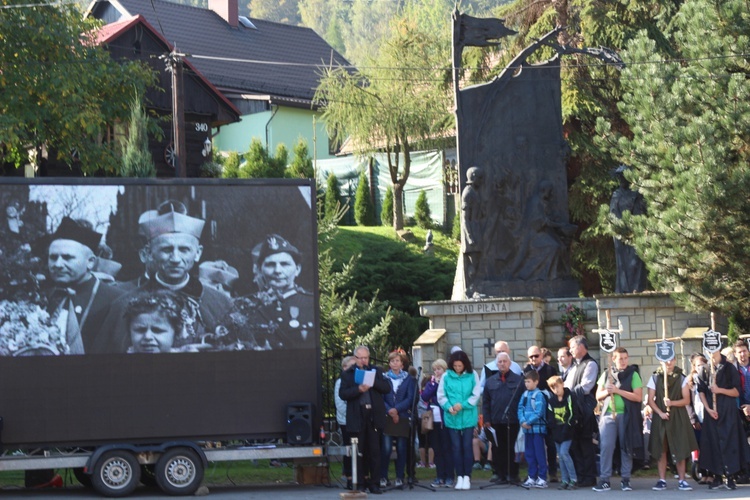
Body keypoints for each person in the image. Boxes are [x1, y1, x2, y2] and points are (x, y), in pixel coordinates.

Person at [94, 202, 232, 353]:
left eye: (184, 249)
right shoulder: (123, 305)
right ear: (150, 253)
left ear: (198, 253)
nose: (175, 258)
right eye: (166, 249)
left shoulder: (220, 302)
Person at [42, 217, 124, 354]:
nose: (57, 264)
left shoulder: (116, 300)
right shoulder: (39, 295)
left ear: (90, 262)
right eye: (53, 257)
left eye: (67, 258)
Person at [339, 346, 391, 494]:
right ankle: (360, 483)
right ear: (355, 358)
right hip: (357, 415)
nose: (364, 360)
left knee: (374, 451)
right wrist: (358, 390)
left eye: (366, 358)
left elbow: (386, 388)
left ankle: (374, 483)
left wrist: (373, 382)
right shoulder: (348, 374)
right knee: (359, 451)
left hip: (373, 415)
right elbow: (343, 393)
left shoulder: (376, 371)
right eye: (361, 358)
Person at [593, 347, 644, 492]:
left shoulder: (633, 375)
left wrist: (617, 391)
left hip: (626, 415)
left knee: (626, 446)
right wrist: (606, 391)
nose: (623, 361)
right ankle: (604, 480)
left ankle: (626, 479)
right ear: (613, 359)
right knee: (606, 447)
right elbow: (598, 396)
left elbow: (638, 397)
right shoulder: (607, 374)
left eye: (625, 358)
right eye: (620, 358)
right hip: (609, 414)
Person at [250, 234, 314, 348]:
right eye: (270, 265)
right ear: (260, 270)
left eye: (284, 264)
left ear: (297, 269)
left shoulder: (313, 303)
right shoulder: (247, 306)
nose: (278, 271)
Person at [698, 349, 750, 490]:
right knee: (713, 443)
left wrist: (719, 390)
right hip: (711, 412)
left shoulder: (729, 368)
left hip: (728, 412)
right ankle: (717, 476)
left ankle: (731, 476)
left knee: (730, 442)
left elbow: (736, 391)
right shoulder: (705, 368)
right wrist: (708, 409)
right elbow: (701, 390)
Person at [647, 358, 698, 491]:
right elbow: (651, 400)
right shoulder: (655, 377)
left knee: (680, 448)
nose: (668, 363)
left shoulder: (681, 378)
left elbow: (686, 399)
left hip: (678, 417)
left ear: (675, 360)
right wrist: (660, 412)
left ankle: (682, 480)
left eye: (670, 360)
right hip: (660, 418)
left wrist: (672, 403)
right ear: (660, 361)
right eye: (665, 361)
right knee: (661, 449)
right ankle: (662, 480)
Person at [438, 349, 481, 490]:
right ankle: (459, 476)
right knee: (455, 448)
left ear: (465, 365)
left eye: (460, 366)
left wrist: (462, 405)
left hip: (467, 416)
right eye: (455, 366)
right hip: (452, 417)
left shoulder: (472, 374)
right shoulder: (446, 376)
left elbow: (475, 394)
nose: (457, 368)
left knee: (467, 446)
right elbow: (441, 395)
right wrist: (449, 407)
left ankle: (467, 476)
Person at [482, 352, 523, 485]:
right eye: (500, 362)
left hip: (513, 421)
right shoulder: (490, 381)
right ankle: (500, 475)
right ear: (496, 364)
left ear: (509, 363)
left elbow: (522, 401)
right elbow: (486, 403)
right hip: (496, 421)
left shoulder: (519, 380)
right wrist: (487, 420)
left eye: (505, 361)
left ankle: (513, 475)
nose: (502, 364)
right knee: (497, 449)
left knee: (512, 449)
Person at [564, 335, 599, 487]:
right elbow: (567, 384)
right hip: (573, 409)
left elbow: (586, 387)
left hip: (584, 410)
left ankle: (589, 477)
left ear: (580, 347)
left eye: (572, 347)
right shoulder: (574, 366)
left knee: (585, 444)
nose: (570, 350)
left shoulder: (590, 364)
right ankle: (579, 475)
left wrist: (567, 393)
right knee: (575, 444)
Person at [380, 350, 416, 489]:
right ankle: (383, 476)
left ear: (402, 363)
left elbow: (410, 398)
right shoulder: (383, 378)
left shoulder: (409, 379)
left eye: (397, 361)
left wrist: (397, 410)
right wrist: (390, 410)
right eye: (392, 361)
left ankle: (400, 477)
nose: (394, 363)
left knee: (402, 448)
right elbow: (381, 397)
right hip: (387, 416)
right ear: (389, 363)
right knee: (386, 448)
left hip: (402, 416)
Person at [524, 345, 558, 480]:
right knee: (534, 445)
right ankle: (534, 474)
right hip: (532, 413)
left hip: (547, 411)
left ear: (541, 355)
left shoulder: (550, 369)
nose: (534, 358)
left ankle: (553, 472)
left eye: (536, 355)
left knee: (550, 443)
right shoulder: (526, 370)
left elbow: (555, 389)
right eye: (531, 356)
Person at [421, 358, 454, 488]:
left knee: (447, 449)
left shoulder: (448, 381)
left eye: (439, 369)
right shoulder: (431, 382)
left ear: (444, 370)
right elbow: (424, 397)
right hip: (433, 420)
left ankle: (450, 476)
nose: (437, 372)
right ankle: (440, 476)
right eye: (435, 369)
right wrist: (434, 385)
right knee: (437, 449)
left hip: (445, 420)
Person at [518, 370, 548, 488]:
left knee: (539, 453)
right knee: (529, 454)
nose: (526, 384)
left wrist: (529, 421)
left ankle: (542, 477)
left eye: (529, 381)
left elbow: (539, 412)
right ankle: (532, 476)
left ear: (536, 382)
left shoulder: (539, 395)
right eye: (525, 381)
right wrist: (522, 421)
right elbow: (520, 408)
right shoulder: (524, 395)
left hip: (537, 430)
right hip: (527, 430)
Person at [546, 375, 577, 490]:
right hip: (556, 433)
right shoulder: (551, 401)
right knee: (560, 457)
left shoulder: (570, 397)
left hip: (567, 432)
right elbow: (550, 417)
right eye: (553, 388)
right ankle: (565, 479)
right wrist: (554, 430)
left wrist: (566, 429)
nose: (556, 390)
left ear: (562, 385)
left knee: (564, 453)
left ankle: (573, 479)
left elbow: (572, 415)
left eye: (557, 387)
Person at [334, 355, 357, 490]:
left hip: (358, 420)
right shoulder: (340, 382)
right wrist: (352, 416)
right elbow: (340, 404)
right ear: (344, 368)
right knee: (348, 448)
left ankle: (359, 476)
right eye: (351, 366)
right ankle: (348, 476)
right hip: (346, 421)